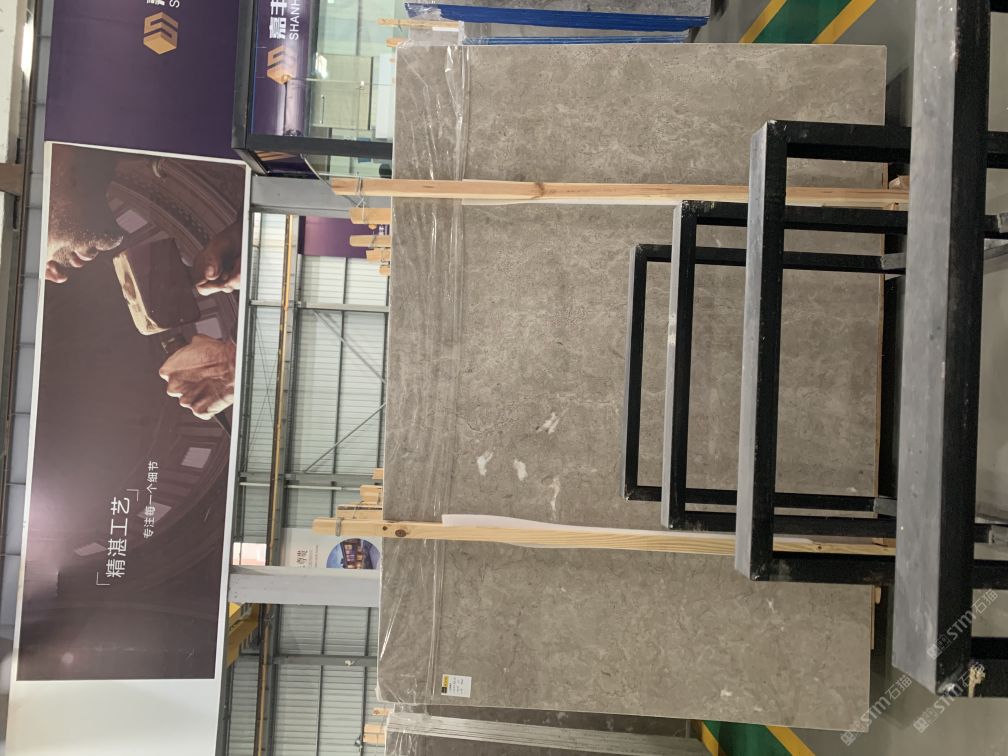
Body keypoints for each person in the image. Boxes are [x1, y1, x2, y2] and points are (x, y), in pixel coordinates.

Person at [45, 147, 242, 422]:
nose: (50, 274)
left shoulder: (159, 143)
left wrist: (233, 366)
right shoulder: (151, 149)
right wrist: (248, 235)